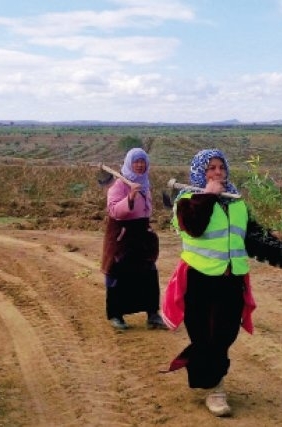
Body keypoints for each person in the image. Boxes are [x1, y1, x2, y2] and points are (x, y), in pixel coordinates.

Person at [161, 149, 257, 417]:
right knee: (206, 336)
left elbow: (250, 233)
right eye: (210, 168)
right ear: (200, 173)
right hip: (199, 282)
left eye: (221, 168)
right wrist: (208, 196)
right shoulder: (188, 202)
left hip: (231, 280)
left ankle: (202, 369)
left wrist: (278, 248)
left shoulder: (236, 202)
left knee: (225, 335)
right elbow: (193, 227)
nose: (217, 173)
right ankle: (216, 388)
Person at [100, 147, 167, 330]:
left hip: (141, 234)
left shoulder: (144, 183)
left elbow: (147, 209)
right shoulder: (119, 185)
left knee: (148, 273)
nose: (139, 165)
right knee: (118, 276)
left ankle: (153, 314)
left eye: (142, 161)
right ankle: (116, 315)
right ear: (129, 163)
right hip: (122, 236)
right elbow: (113, 210)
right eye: (136, 162)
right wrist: (130, 197)